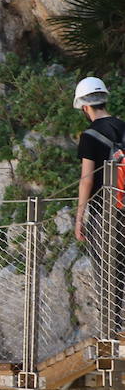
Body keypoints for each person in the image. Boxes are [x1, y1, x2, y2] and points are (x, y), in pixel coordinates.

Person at [72, 77, 125, 331]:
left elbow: (86, 180)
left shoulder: (90, 136)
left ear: (85, 107)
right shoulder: (124, 127)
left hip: (105, 212)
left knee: (106, 269)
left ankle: (111, 329)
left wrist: (79, 217)